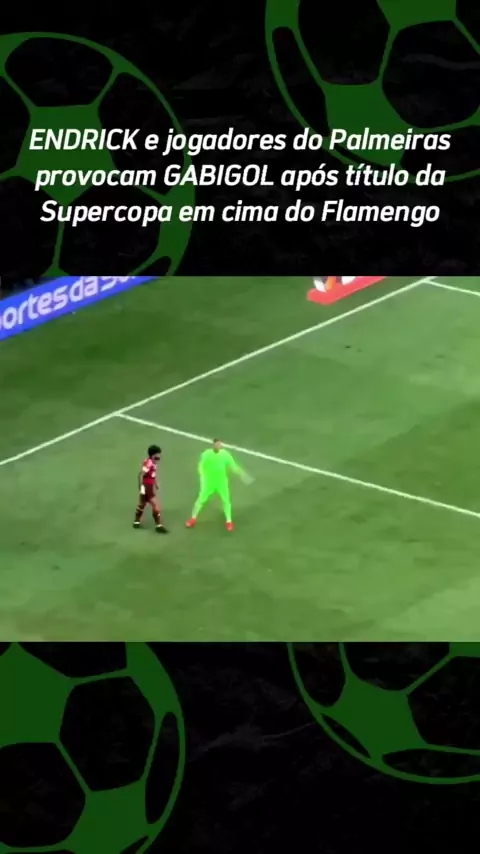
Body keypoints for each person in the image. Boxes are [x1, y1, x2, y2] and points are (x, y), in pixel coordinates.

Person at [185, 439, 252, 532]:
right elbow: (200, 466)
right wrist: (202, 476)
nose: (218, 446)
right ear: (213, 445)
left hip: (222, 483)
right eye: (217, 444)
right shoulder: (206, 454)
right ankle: (192, 519)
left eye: (220, 444)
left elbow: (233, 466)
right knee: (200, 500)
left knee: (226, 501)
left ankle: (229, 522)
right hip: (209, 483)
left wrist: (242, 474)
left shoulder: (225, 454)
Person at [133, 444, 168, 533]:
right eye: (158, 454)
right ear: (154, 454)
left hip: (148, 487)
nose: (160, 455)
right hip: (146, 487)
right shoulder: (149, 463)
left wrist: (155, 484)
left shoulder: (153, 462)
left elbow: (152, 475)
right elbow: (141, 475)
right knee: (156, 505)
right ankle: (159, 526)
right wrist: (141, 487)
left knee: (142, 504)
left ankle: (136, 522)